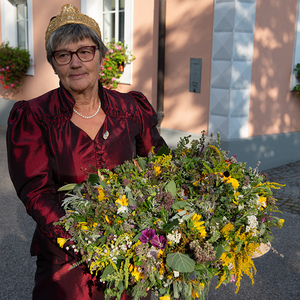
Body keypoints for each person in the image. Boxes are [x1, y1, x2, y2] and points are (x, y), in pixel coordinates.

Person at [6, 4, 166, 300]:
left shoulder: (131, 109)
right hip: (67, 260)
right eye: (63, 55)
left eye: (85, 51)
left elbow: (161, 166)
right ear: (54, 65)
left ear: (100, 56)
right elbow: (35, 193)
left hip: (128, 252)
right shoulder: (34, 117)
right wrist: (82, 241)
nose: (76, 63)